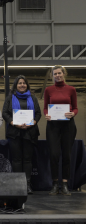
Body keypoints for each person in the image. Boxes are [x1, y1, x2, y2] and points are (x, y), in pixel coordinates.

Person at [2, 75, 41, 194]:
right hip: (15, 132)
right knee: (17, 159)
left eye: (24, 83)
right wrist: (13, 123)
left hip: (30, 132)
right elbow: (5, 113)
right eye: (19, 83)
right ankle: (18, 184)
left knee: (28, 160)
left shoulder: (33, 98)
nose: (22, 85)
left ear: (27, 85)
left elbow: (38, 113)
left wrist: (33, 122)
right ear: (15, 85)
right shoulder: (9, 98)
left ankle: (27, 184)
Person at [44, 65, 77, 196]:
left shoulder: (71, 89)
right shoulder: (48, 90)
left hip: (68, 126)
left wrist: (73, 114)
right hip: (53, 126)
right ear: (52, 76)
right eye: (55, 74)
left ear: (64, 74)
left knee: (67, 155)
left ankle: (64, 184)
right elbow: (46, 107)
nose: (57, 75)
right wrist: (47, 114)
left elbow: (75, 108)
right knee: (54, 154)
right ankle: (54, 183)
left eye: (59, 73)